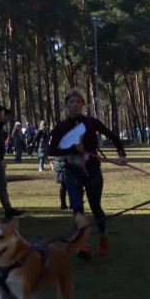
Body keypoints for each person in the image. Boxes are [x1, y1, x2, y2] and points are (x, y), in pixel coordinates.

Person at [48, 88, 128, 259]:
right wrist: (71, 149)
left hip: (92, 172)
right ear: (66, 105)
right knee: (77, 209)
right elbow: (51, 150)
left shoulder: (92, 122)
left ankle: (103, 237)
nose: (75, 104)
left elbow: (114, 136)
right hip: (72, 174)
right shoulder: (61, 127)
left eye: (78, 102)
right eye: (71, 101)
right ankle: (84, 244)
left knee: (95, 207)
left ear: (82, 105)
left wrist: (121, 154)